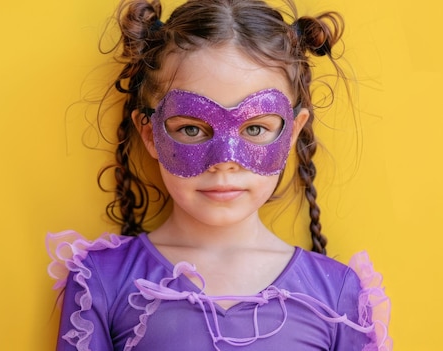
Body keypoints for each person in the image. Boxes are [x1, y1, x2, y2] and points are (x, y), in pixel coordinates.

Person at [46, 0, 392, 350]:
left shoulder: (337, 292)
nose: (224, 161)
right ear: (149, 133)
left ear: (293, 133)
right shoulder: (103, 281)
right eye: (192, 130)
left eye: (255, 129)